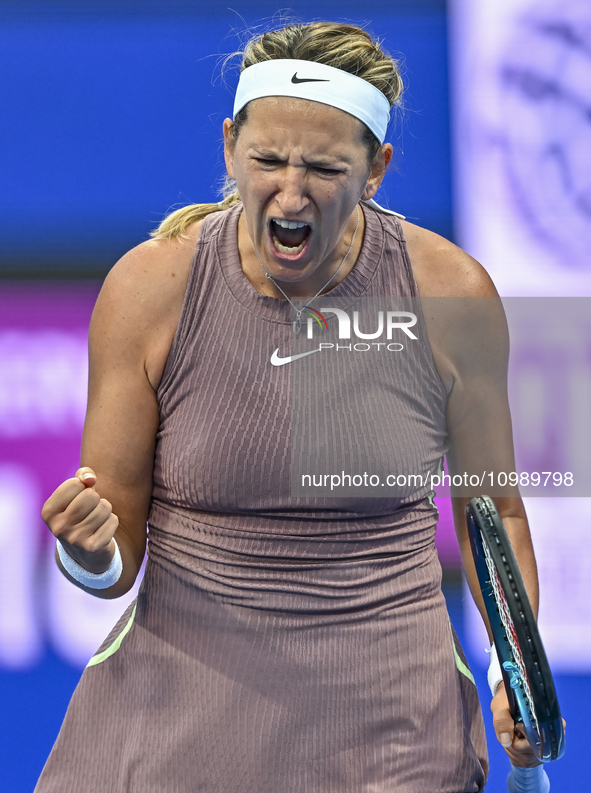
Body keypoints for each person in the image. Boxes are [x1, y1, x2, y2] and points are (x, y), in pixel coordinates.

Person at [36, 21, 543, 792]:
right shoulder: (149, 288)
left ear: (377, 170)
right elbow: (113, 561)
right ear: (230, 144)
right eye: (266, 160)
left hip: (392, 730)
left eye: (324, 167)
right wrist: (85, 548)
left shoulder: (450, 292)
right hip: (174, 716)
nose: (291, 191)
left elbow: (494, 512)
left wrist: (516, 672)